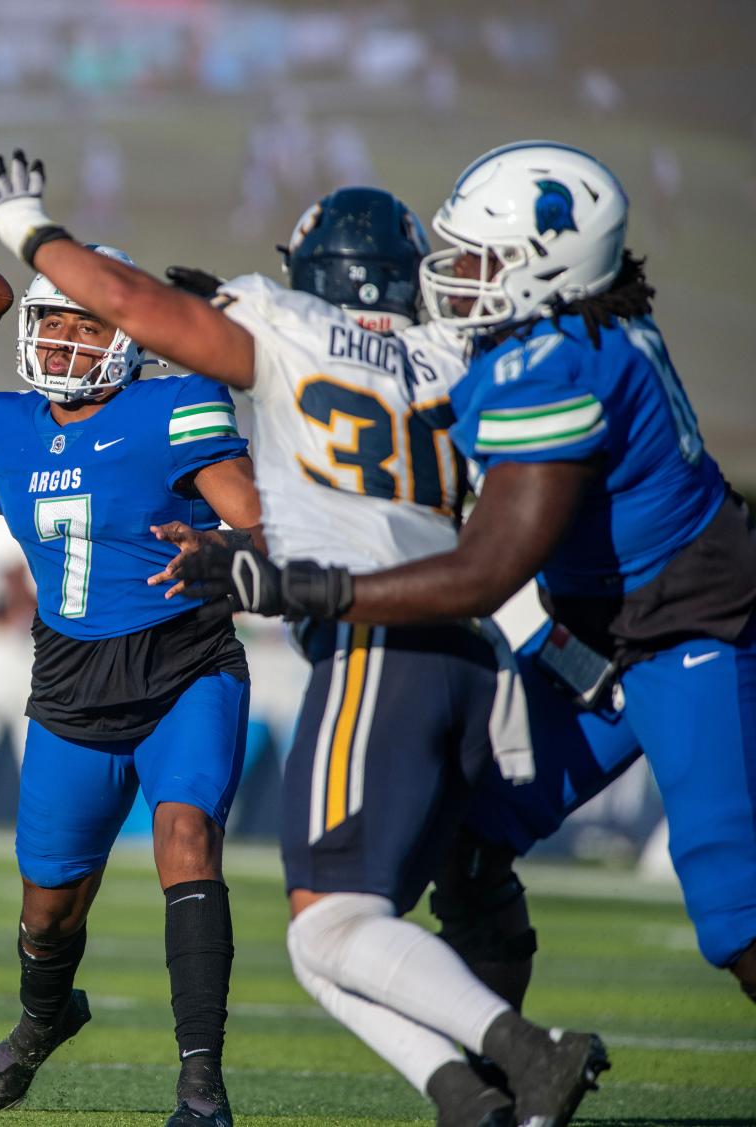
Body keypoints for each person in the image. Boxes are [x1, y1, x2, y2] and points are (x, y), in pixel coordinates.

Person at [0, 152, 610, 1127]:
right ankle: (479, 1103)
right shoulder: (463, 352)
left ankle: (523, 1057)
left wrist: (26, 223)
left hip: (378, 641)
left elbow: (138, 304)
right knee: (476, 879)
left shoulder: (287, 324)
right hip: (489, 648)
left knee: (330, 926)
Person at [175, 141, 756, 1012]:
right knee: (471, 839)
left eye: (482, 260)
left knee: (739, 917)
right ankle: (512, 1077)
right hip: (601, 633)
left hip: (690, 637)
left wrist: (307, 587)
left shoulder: (562, 362)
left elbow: (485, 568)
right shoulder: (563, 333)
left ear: (550, 264)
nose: (455, 276)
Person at [0, 245, 263, 1127]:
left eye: (91, 324)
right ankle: (42, 1021)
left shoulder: (174, 404)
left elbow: (259, 514)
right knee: (47, 913)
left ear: (130, 335)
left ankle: (201, 1086)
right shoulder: (4, 426)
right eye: (56, 323)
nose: (69, 342)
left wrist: (234, 551)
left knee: (185, 838)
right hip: (72, 684)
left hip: (184, 661)